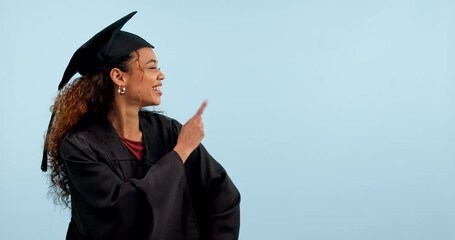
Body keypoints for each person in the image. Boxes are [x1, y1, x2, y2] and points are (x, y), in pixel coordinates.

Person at [42, 11, 240, 240]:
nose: (161, 75)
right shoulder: (79, 146)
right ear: (119, 77)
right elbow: (122, 214)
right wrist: (181, 153)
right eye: (152, 67)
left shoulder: (168, 132)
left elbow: (222, 195)